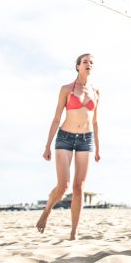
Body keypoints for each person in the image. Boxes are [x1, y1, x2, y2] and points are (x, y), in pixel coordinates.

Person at [36, 53, 101, 240]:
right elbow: (56, 118)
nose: (89, 64)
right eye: (85, 62)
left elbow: (95, 122)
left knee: (79, 186)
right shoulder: (66, 89)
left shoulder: (96, 92)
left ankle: (74, 233)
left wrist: (97, 147)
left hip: (86, 140)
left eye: (91, 62)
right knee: (63, 185)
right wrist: (47, 145)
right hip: (65, 137)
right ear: (78, 66)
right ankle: (47, 210)